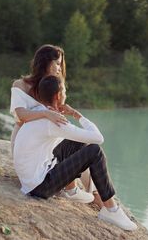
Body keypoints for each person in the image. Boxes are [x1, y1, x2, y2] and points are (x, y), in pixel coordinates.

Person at [13, 75, 137, 231]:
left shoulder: (40, 111)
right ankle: (111, 210)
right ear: (59, 96)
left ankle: (71, 190)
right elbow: (98, 138)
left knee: (76, 141)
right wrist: (78, 115)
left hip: (30, 179)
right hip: (38, 187)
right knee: (94, 151)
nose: (66, 94)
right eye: (65, 91)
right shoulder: (54, 121)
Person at [10, 44, 101, 205]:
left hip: (49, 136)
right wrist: (45, 113)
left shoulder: (54, 87)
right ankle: (91, 195)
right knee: (83, 146)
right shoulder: (21, 85)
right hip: (26, 139)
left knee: (82, 146)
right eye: (57, 63)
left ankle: (94, 193)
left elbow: (57, 114)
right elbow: (21, 115)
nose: (60, 68)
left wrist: (63, 103)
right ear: (45, 62)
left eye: (61, 64)